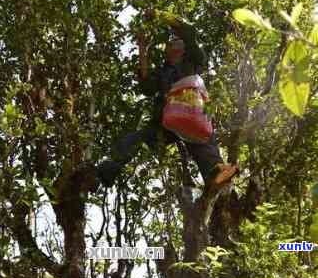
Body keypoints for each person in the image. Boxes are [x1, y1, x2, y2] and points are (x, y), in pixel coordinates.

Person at [96, 10, 238, 190]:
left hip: (192, 110)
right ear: (167, 52)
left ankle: (215, 172)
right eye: (170, 43)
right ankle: (105, 173)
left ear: (183, 48)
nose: (172, 43)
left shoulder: (192, 60)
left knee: (202, 138)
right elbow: (146, 86)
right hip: (167, 120)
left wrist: (158, 15)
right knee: (136, 138)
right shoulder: (163, 71)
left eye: (176, 41)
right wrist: (142, 47)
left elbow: (188, 31)